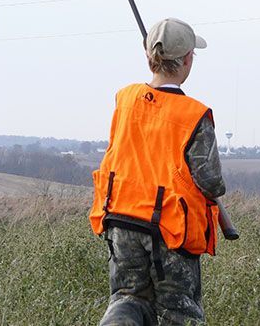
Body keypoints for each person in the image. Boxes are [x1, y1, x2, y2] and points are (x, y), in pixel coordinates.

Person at [89, 18, 226, 325]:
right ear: (188, 59)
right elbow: (211, 182)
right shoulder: (194, 115)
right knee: (178, 310)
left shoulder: (124, 99)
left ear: (149, 56)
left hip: (120, 222)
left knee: (127, 299)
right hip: (169, 229)